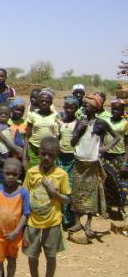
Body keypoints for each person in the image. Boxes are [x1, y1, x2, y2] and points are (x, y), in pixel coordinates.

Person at [22, 137, 71, 277]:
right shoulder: (31, 172)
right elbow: (23, 193)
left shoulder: (61, 174)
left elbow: (67, 200)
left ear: (57, 155)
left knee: (51, 256)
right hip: (33, 223)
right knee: (32, 255)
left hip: (52, 223)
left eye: (51, 155)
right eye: (43, 154)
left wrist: (54, 192)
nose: (46, 158)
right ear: (39, 152)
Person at [69, 94, 120, 238]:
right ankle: (77, 221)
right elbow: (72, 143)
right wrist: (79, 131)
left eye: (87, 106)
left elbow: (117, 137)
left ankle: (89, 224)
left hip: (92, 162)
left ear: (95, 108)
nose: (85, 107)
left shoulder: (101, 123)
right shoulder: (80, 122)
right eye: (84, 105)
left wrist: (104, 148)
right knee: (77, 192)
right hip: (79, 161)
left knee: (91, 194)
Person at [0, 158, 30, 277]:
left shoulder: (23, 192)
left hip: (15, 235)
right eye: (7, 174)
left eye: (14, 174)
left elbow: (25, 214)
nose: (10, 177)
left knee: (12, 261)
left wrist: (17, 231)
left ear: (19, 174)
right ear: (2, 173)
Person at [102, 99, 128, 219]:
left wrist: (125, 162)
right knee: (107, 182)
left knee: (121, 184)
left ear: (123, 111)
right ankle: (107, 208)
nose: (115, 111)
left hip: (120, 156)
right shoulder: (106, 121)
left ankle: (122, 208)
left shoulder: (126, 123)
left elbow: (127, 143)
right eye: (114, 109)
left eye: (118, 109)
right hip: (107, 156)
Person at [24, 89, 61, 168]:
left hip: (49, 150)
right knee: (34, 173)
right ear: (38, 102)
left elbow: (57, 134)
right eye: (41, 101)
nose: (44, 103)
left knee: (48, 173)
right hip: (34, 149)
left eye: (47, 101)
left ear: (51, 103)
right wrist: (24, 155)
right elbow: (27, 135)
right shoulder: (32, 115)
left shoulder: (55, 115)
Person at [57, 96, 78, 227]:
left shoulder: (79, 123)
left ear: (76, 109)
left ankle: (69, 219)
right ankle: (59, 217)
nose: (69, 110)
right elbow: (57, 137)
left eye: (72, 107)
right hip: (60, 157)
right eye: (66, 107)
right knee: (59, 187)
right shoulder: (60, 121)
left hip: (72, 158)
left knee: (69, 188)